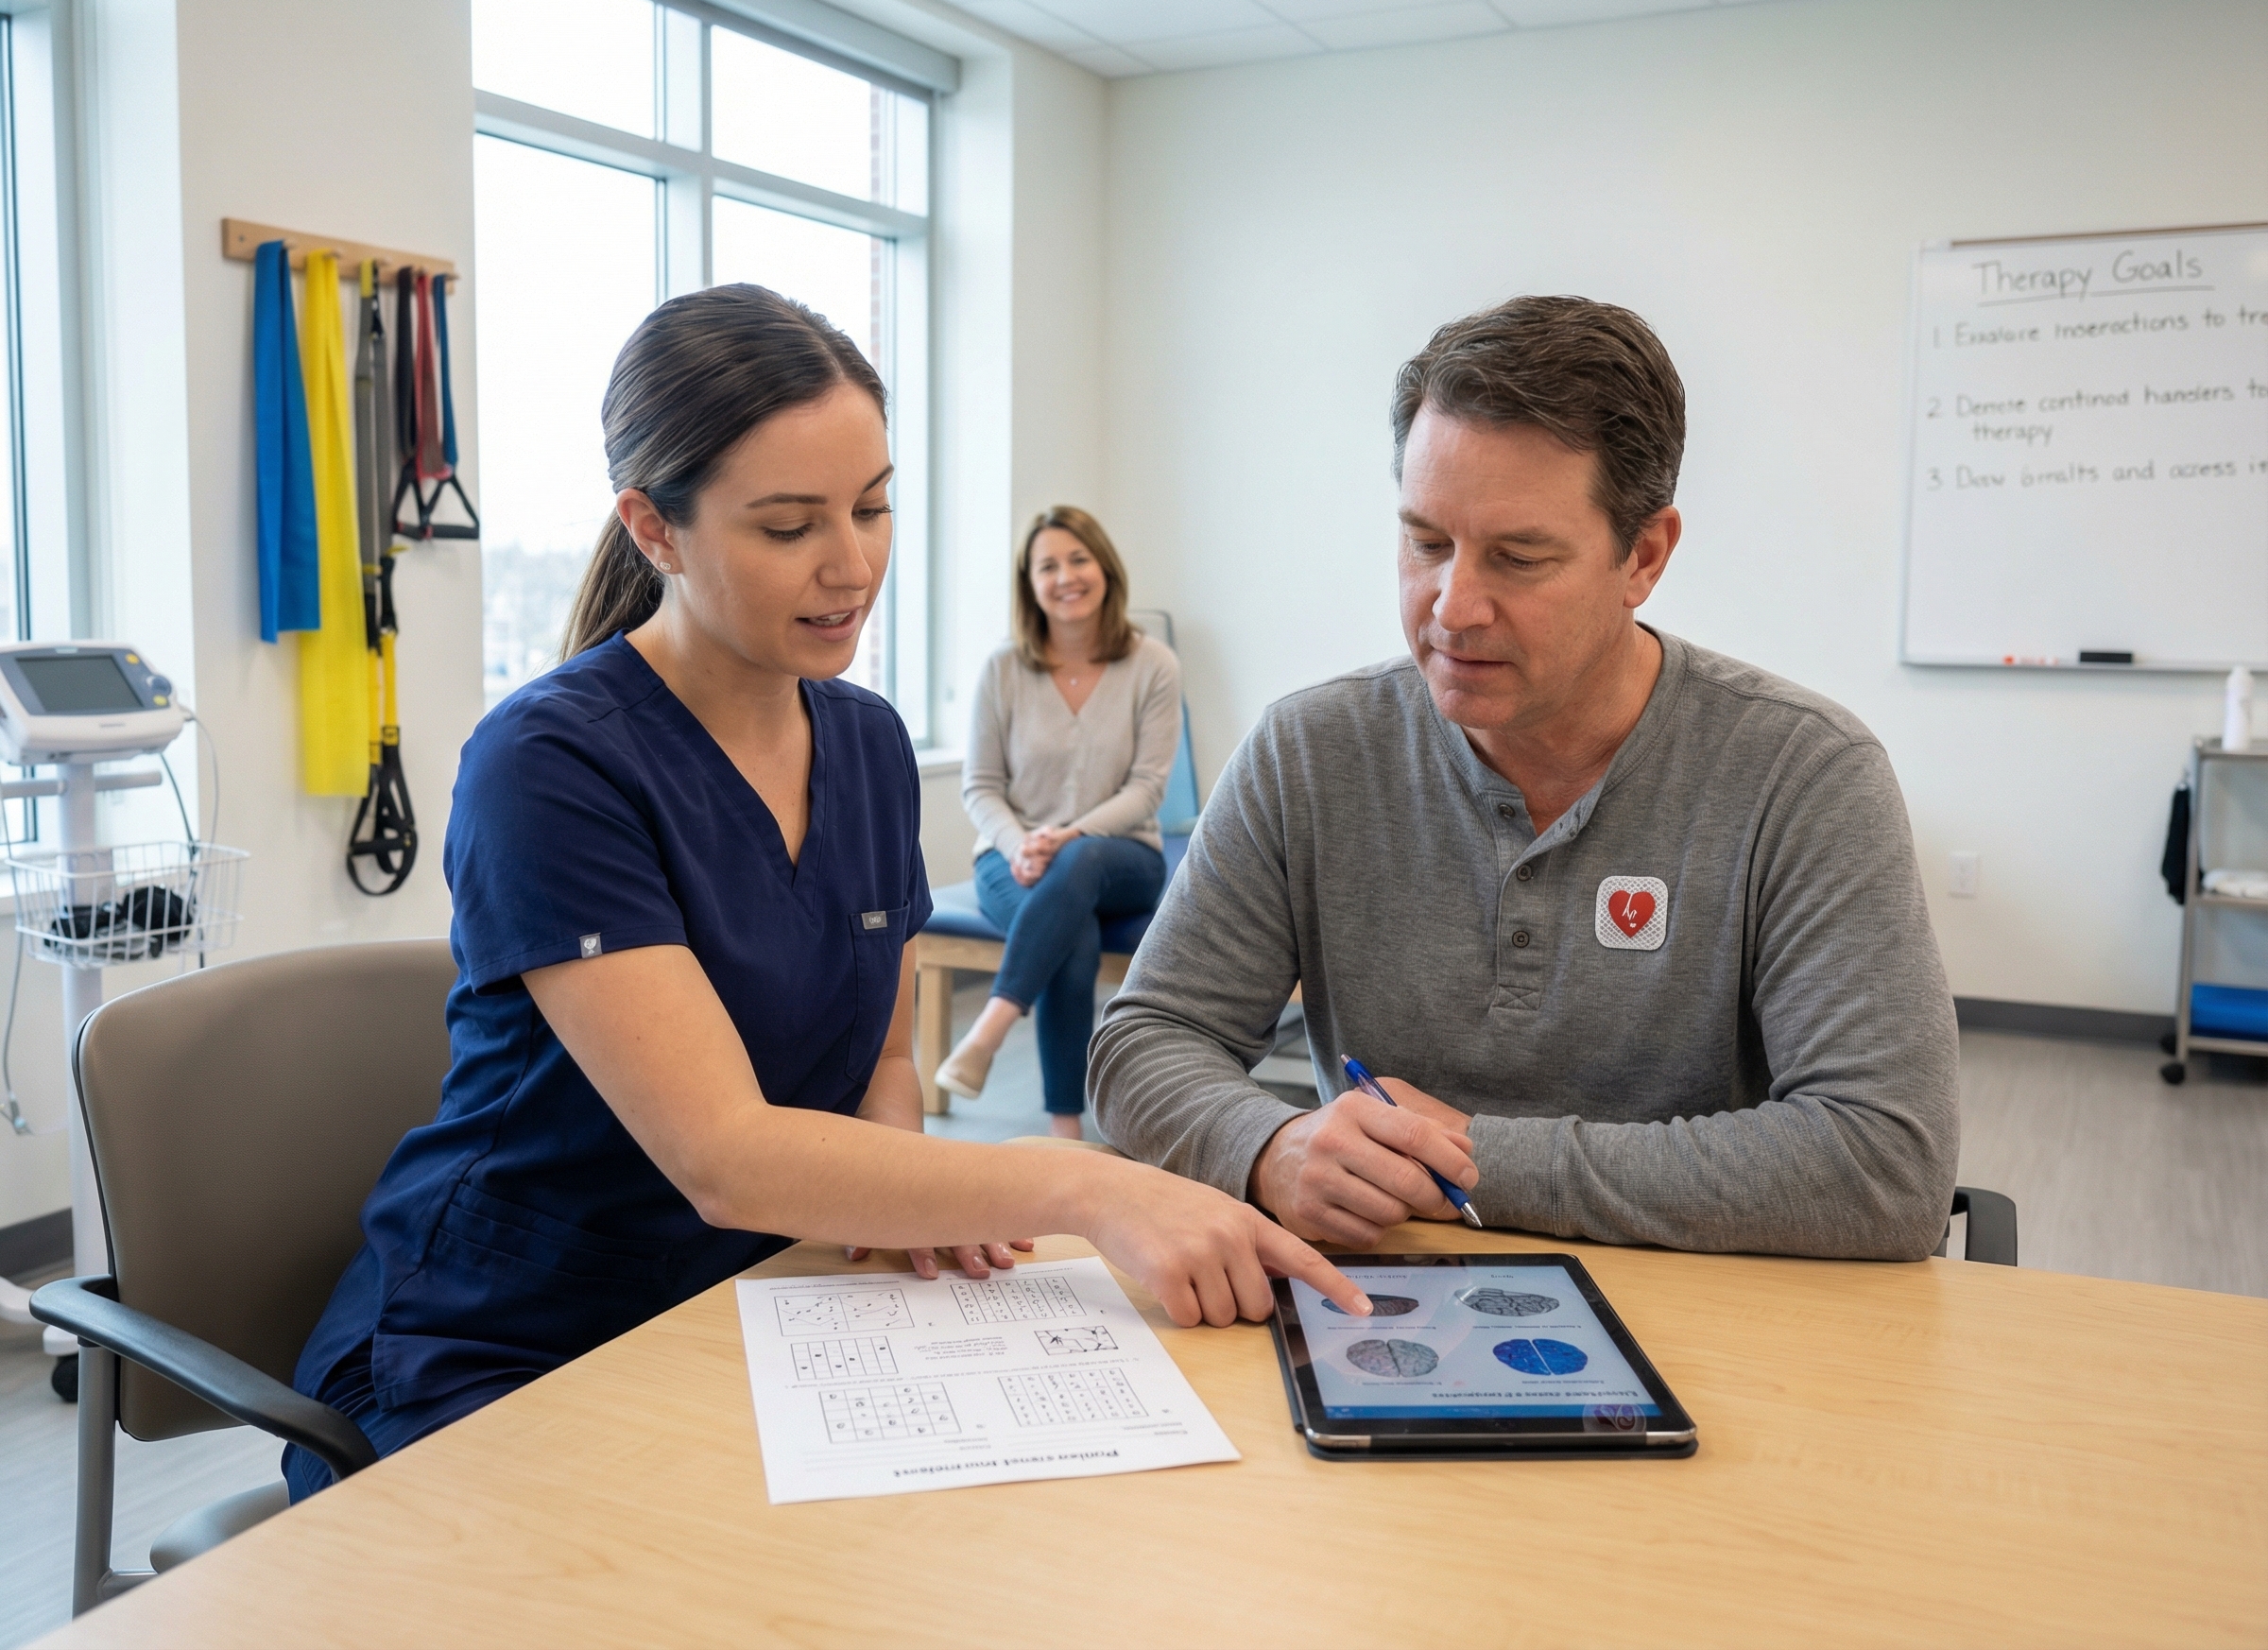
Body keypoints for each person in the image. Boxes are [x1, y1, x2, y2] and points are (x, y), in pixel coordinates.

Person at [284, 286, 1366, 1500]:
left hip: (754, 1303)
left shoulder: (865, 743)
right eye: (790, 526)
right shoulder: (549, 764)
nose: (852, 566)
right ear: (654, 528)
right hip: (509, 1339)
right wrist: (1093, 1182)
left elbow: (883, 1063)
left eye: (873, 505)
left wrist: (908, 1207)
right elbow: (725, 1156)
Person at [1091, 295, 1958, 1262]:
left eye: (1519, 557)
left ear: (1644, 557)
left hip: (1704, 1307)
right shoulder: (1308, 752)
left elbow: (1886, 1163)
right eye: (1427, 543)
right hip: (1381, 1303)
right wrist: (1270, 1145)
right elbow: (1143, 1042)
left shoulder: (1805, 776)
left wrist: (1473, 1161)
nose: (1453, 607)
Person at [936, 508, 1181, 1139]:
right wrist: (1020, 844)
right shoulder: (1003, 669)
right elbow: (981, 785)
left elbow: (1147, 787)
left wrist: (1067, 836)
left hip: (1121, 857)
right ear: (1030, 583)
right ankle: (1065, 1128)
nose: (1066, 576)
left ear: (1104, 568)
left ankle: (989, 1028)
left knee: (1079, 861)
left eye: (1078, 559)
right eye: (1048, 566)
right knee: (1072, 932)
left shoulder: (1152, 664)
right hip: (1009, 857)